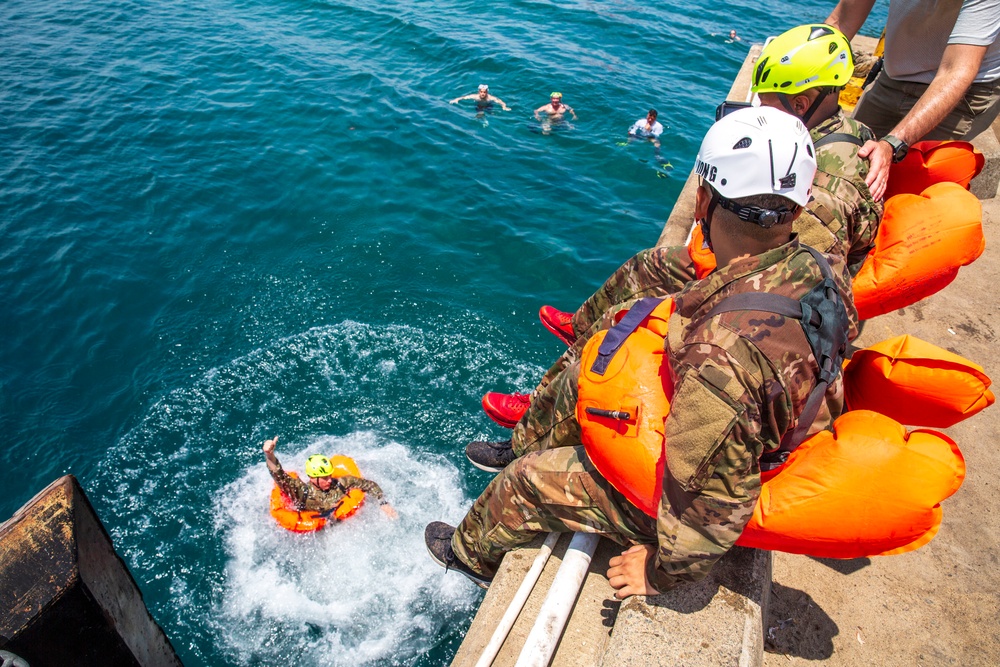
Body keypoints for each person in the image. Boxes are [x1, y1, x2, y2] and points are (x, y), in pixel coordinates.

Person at [426, 106, 857, 594]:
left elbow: (712, 507)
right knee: (584, 371)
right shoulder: (818, 264)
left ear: (702, 201)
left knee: (524, 481)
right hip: (770, 416)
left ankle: (469, 556)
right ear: (796, 209)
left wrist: (658, 573)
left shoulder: (723, 357)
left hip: (725, 476)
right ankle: (525, 440)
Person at [480, 24, 881, 430]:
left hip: (768, 303)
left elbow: (802, 280)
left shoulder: (827, 194)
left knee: (623, 321)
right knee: (649, 264)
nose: (758, 112)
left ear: (803, 102)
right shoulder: (843, 135)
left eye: (767, 104)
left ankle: (540, 413)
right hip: (769, 272)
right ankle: (579, 328)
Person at [826, 0, 1000, 200]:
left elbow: (955, 71)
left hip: (965, 90)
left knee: (906, 195)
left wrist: (892, 144)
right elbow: (840, 22)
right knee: (839, 161)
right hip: (894, 75)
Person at [263, 436, 398, 519]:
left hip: (339, 520)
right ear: (312, 477)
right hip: (313, 524)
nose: (329, 480)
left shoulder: (341, 483)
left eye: (329, 476)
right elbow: (278, 474)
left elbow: (369, 485)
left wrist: (383, 503)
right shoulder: (301, 492)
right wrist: (269, 455)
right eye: (324, 478)